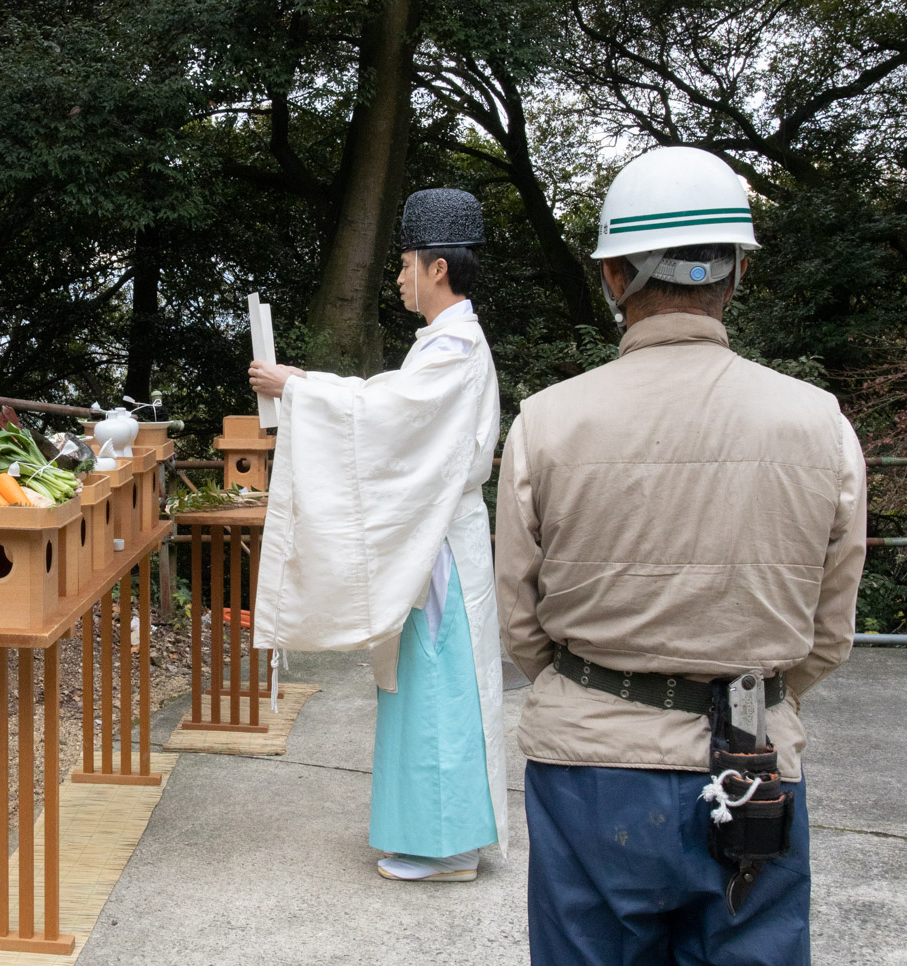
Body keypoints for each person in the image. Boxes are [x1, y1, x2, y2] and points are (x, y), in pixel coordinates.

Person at [494, 146, 867, 964]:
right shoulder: (816, 422)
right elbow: (829, 633)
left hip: (589, 762)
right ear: (733, 273)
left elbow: (519, 625)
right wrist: (756, 693)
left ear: (612, 277)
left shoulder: (548, 422)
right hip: (750, 761)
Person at [250, 188, 508, 882]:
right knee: (421, 683)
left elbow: (385, 411)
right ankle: (433, 834)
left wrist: (297, 389)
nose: (397, 278)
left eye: (403, 264)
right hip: (432, 533)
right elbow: (385, 403)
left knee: (439, 684)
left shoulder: (453, 345)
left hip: (440, 541)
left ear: (436, 269)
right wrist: (303, 383)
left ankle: (450, 843)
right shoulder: (445, 343)